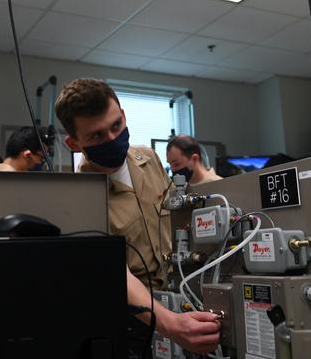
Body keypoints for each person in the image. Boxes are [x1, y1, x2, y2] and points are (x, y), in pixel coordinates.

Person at [55, 78, 220, 354]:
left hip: (183, 300)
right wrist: (169, 324)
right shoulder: (79, 198)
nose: (111, 139)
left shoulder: (149, 159)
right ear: (74, 143)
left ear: (124, 116)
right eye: (97, 135)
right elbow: (115, 273)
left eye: (116, 126)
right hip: (135, 324)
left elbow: (180, 220)